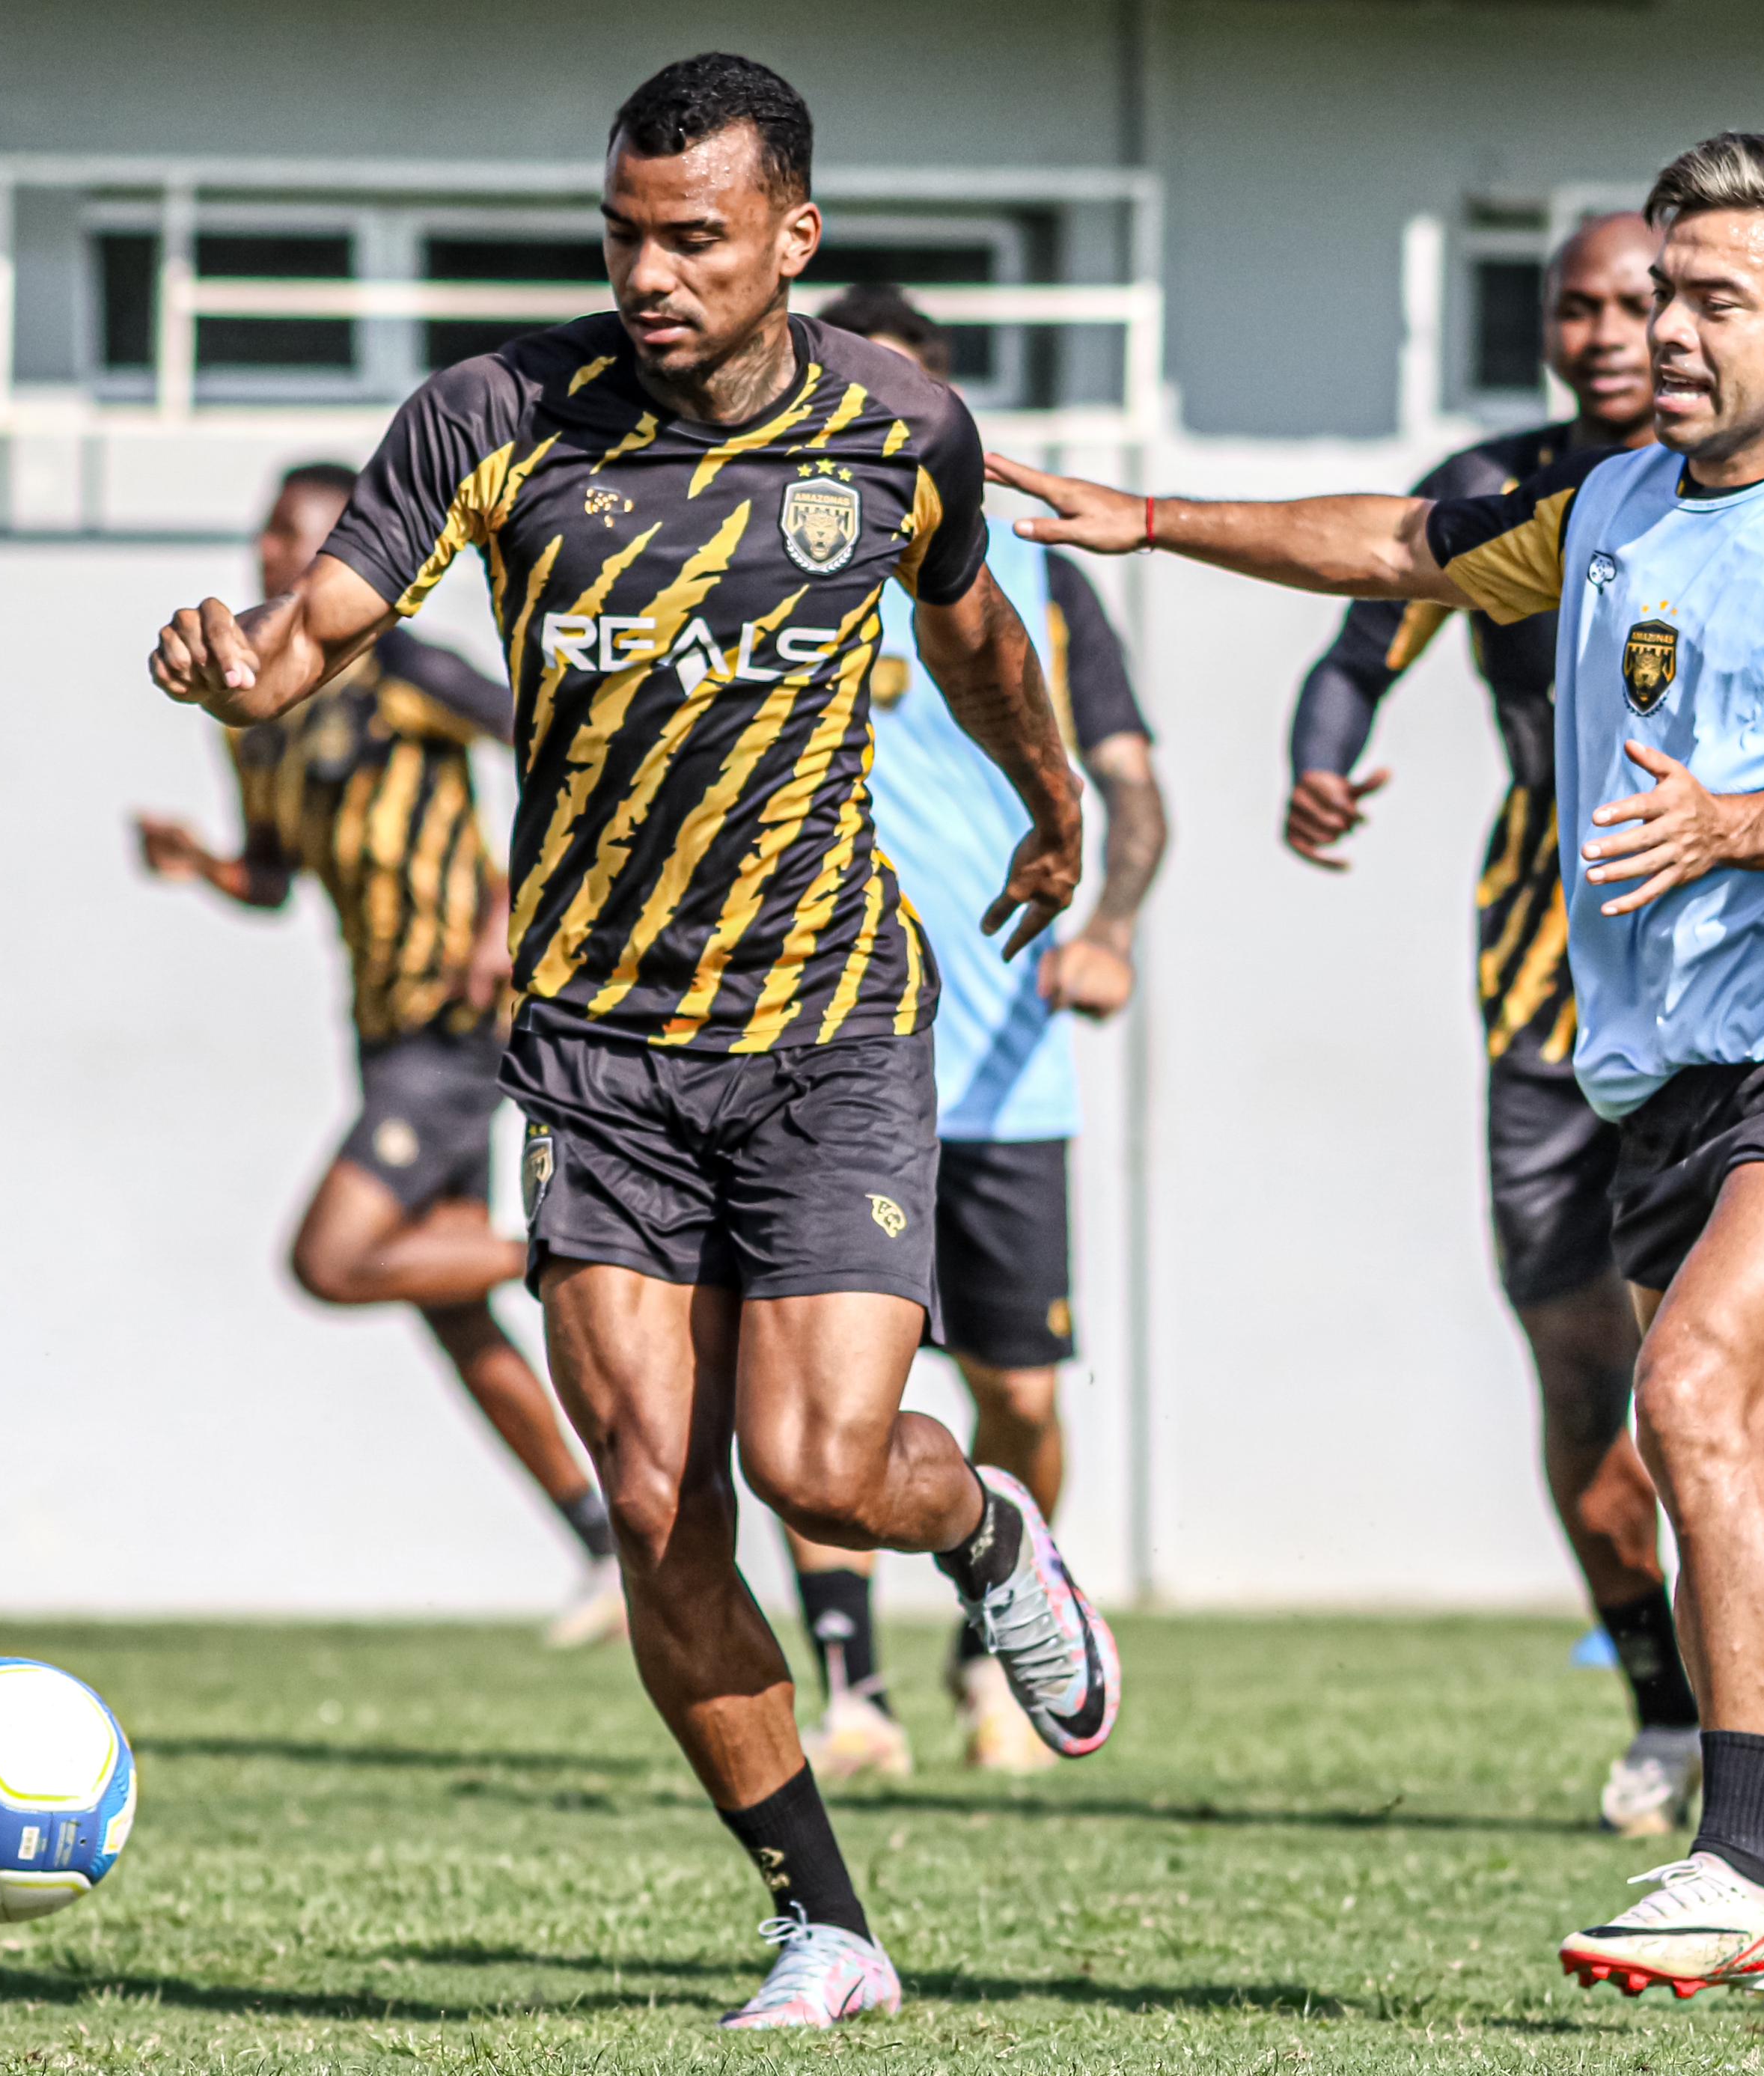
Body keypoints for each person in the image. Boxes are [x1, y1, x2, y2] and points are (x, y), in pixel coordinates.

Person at [145, 55, 1120, 2033]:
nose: (653, 271)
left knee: (825, 1469)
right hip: (596, 1044)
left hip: (831, 1021)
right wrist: (246, 672)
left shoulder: (897, 418)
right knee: (663, 1498)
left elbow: (979, 631)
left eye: (695, 236)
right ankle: (825, 1924)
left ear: (790, 238)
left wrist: (1052, 802)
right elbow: (330, 614)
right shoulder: (499, 414)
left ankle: (990, 1523)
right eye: (625, 233)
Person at [992, 131, 1764, 2023]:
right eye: (1651, 295)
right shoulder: (1614, 500)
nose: (1662, 328)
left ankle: (1740, 1861)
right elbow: (1397, 544)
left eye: (1710, 300)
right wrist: (1146, 522)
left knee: (1686, 1392)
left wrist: (1729, 824)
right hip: (1670, 1082)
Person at [1283, 214, 1705, 1835]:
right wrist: (1319, 757)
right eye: (1573, 306)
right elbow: (1359, 642)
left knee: (1714, 1384)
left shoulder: (1741, 482)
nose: (1602, 332)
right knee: (1581, 1381)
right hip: (1537, 990)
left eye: (1634, 303)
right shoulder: (1500, 483)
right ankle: (1658, 1705)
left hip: (1710, 998)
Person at [773, 284, 1168, 1784]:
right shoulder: (771, 553)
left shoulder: (1035, 586)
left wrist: (1113, 925)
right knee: (818, 1387)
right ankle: (849, 1692)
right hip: (814, 1041)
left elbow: (1133, 794)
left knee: (1015, 1392)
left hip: (1003, 1054)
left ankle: (995, 1630)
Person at [135, 462, 623, 1649]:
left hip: (458, 1026)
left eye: (294, 533)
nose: (268, 552)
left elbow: (551, 741)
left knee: (337, 1254)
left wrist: (509, 915)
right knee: (444, 1304)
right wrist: (203, 865)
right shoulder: (254, 721)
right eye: (262, 529)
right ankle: (612, 1543)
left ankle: (595, 1255)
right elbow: (276, 874)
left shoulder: (397, 666)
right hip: (382, 1028)